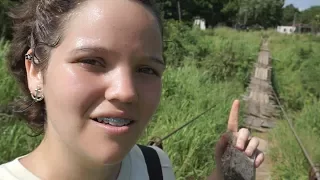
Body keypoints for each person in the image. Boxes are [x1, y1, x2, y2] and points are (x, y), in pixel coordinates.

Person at [0, 0, 264, 179]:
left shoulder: (155, 165)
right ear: (35, 72)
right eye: (91, 61)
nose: (126, 92)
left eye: (147, 69)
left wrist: (226, 174)